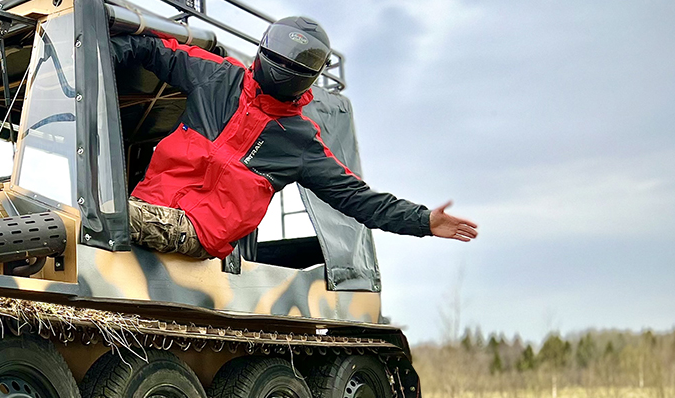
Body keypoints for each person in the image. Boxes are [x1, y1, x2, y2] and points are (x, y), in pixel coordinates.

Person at [114, 16, 478, 260]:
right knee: (97, 215)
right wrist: (89, 54)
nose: (282, 67)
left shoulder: (299, 140)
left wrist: (422, 221)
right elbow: (153, 48)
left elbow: (356, 198)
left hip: (194, 231)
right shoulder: (216, 76)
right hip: (146, 204)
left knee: (98, 215)